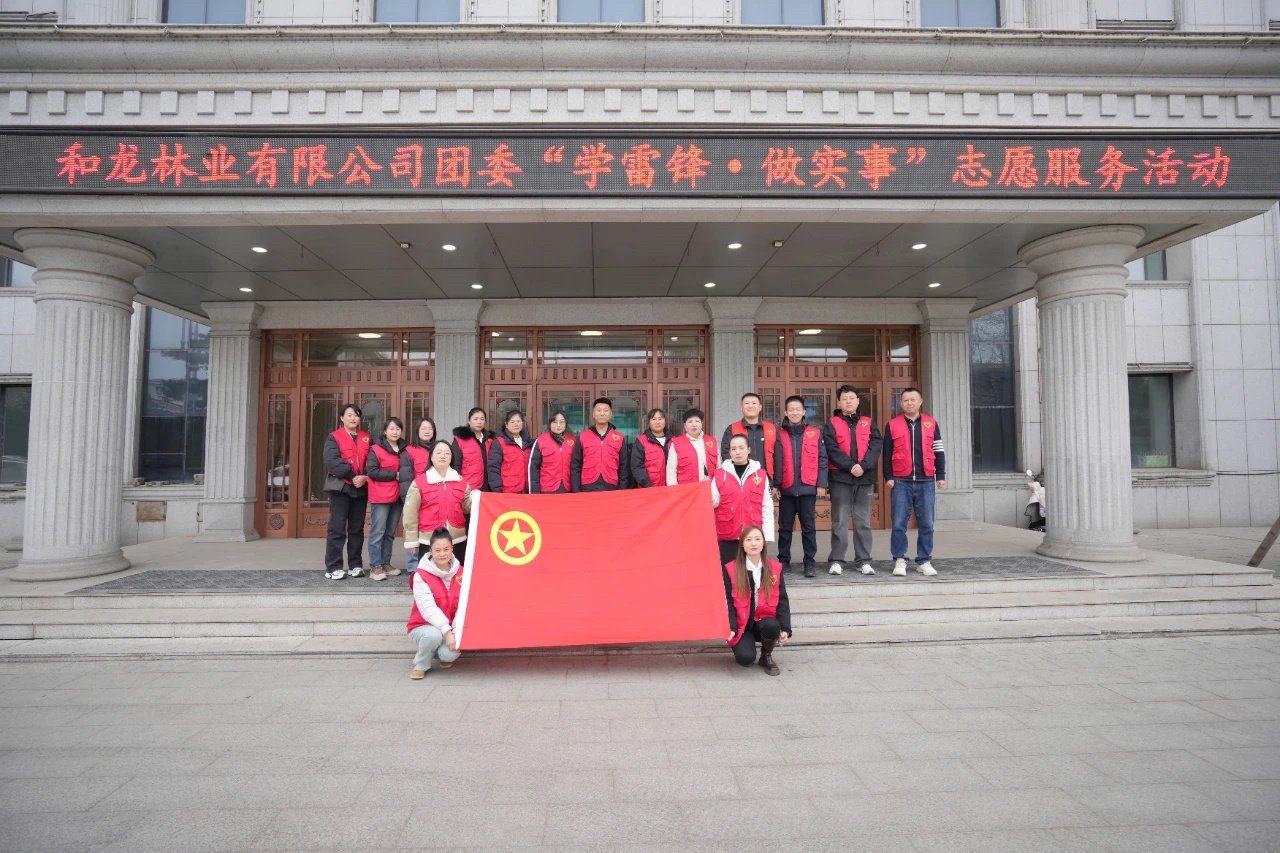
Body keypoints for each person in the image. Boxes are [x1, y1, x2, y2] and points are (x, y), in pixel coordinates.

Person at [883, 387, 945, 577]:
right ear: (901, 403)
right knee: (899, 523)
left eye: (912, 399)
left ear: (920, 402)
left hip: (926, 480)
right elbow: (887, 453)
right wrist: (888, 476)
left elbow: (938, 450)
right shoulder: (892, 425)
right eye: (905, 400)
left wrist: (940, 475)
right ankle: (899, 559)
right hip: (901, 481)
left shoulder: (931, 423)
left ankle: (924, 560)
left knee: (927, 523)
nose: (909, 403)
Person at [823, 385, 883, 577]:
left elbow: (876, 445)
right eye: (844, 398)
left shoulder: (868, 422)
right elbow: (832, 449)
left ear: (858, 401)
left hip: (864, 478)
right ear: (839, 402)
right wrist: (850, 466)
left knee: (863, 521)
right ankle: (837, 560)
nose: (848, 401)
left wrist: (863, 466)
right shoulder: (831, 423)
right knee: (839, 521)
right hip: (840, 478)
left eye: (851, 398)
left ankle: (863, 561)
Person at [723, 526, 791, 676]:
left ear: (763, 542)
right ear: (742, 544)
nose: (753, 543)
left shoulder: (775, 568)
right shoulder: (731, 568)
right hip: (743, 625)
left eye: (757, 539)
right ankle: (746, 646)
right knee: (745, 659)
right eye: (748, 540)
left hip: (763, 621)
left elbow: (782, 600)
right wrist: (731, 628)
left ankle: (766, 656)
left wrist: (785, 628)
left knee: (772, 625)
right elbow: (728, 601)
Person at [776, 396, 829, 577]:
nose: (794, 412)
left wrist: (821, 483)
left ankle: (809, 563)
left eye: (798, 409)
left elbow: (823, 459)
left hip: (808, 488)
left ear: (804, 412)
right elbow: (775, 461)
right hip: (786, 488)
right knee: (784, 528)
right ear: (786, 412)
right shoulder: (779, 434)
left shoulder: (815, 433)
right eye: (791, 409)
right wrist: (776, 485)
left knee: (809, 528)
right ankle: (784, 560)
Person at [406, 527, 465, 680]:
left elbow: (463, 606)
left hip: (450, 627)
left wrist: (455, 631)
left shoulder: (462, 573)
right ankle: (421, 664)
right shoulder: (421, 575)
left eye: (446, 549)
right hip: (423, 626)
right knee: (433, 635)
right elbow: (428, 609)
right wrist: (447, 632)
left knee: (449, 654)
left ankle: (439, 654)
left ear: (452, 548)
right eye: (437, 550)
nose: (442, 554)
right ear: (430, 551)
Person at [404, 439, 472, 566]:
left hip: (457, 540)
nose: (443, 456)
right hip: (429, 540)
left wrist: (475, 498)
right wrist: (412, 540)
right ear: (431, 456)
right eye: (439, 452)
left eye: (447, 453)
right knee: (429, 576)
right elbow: (410, 513)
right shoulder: (419, 482)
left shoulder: (462, 481)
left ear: (451, 457)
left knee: (457, 574)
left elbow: (466, 508)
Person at [322, 403, 370, 580]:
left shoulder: (366, 437)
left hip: (361, 488)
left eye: (356, 415)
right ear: (342, 418)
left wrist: (364, 476)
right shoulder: (334, 437)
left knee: (357, 529)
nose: (353, 418)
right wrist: (353, 476)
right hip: (341, 488)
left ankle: (355, 565)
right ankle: (333, 566)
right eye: (349, 415)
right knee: (337, 528)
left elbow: (373, 460)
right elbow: (332, 460)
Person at [711, 433, 775, 567]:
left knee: (750, 573)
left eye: (741, 448)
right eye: (733, 449)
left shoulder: (761, 475)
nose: (737, 452)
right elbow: (713, 503)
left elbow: (767, 506)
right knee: (728, 573)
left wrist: (768, 535)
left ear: (748, 450)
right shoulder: (719, 474)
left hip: (752, 535)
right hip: (727, 534)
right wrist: (703, 488)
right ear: (729, 452)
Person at [365, 416, 407, 582]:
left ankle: (385, 563)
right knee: (378, 532)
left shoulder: (404, 449)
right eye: (391, 429)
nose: (395, 432)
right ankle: (375, 566)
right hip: (381, 497)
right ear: (385, 431)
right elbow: (372, 472)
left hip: (397, 496)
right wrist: (394, 475)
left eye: (398, 429)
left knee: (390, 533)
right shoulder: (376, 449)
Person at [721, 392, 783, 483]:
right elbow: (726, 454)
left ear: (760, 407)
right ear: (741, 408)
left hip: (767, 480)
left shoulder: (771, 428)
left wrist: (776, 483)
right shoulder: (732, 428)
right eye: (747, 403)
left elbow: (778, 457)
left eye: (754, 403)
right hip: (741, 480)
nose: (750, 406)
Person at [570, 397, 630, 491]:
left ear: (610, 414)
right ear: (593, 414)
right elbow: (575, 465)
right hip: (587, 486)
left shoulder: (619, 437)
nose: (602, 413)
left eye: (605, 410)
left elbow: (624, 467)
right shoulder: (582, 436)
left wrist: (621, 489)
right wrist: (576, 490)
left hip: (611, 486)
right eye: (598, 410)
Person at [486, 409, 533, 494]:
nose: (516, 424)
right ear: (506, 424)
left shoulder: (528, 442)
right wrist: (497, 489)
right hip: (508, 490)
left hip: (526, 490)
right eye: (512, 422)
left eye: (518, 421)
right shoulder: (499, 442)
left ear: (522, 423)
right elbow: (493, 467)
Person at [667, 408, 717, 486]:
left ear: (701, 423)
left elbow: (718, 468)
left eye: (697, 421)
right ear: (684, 425)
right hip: (686, 489)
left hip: (709, 488)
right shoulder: (676, 443)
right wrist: (674, 490)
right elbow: (671, 470)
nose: (694, 424)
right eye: (690, 421)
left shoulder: (711, 441)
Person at [528, 410, 575, 494]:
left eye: (562, 422)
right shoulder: (541, 440)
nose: (558, 425)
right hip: (547, 489)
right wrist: (534, 493)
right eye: (555, 422)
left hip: (568, 488)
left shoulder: (572, 440)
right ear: (549, 424)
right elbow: (533, 468)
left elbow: (577, 467)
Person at [451, 407, 493, 492]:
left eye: (482, 419)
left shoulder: (490, 439)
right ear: (469, 420)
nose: (479, 422)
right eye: (475, 419)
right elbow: (455, 466)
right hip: (469, 487)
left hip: (488, 486)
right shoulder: (460, 439)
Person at [630, 407, 670, 488]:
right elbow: (637, 466)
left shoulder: (673, 440)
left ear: (665, 421)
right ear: (649, 422)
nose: (657, 422)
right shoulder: (641, 441)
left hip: (671, 488)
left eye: (660, 419)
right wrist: (648, 486)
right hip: (648, 489)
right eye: (654, 419)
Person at [400, 417, 437, 497]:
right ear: (417, 430)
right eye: (423, 428)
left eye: (430, 429)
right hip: (419, 496)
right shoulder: (409, 451)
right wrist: (409, 500)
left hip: (438, 496)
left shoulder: (439, 448)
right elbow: (406, 482)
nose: (427, 431)